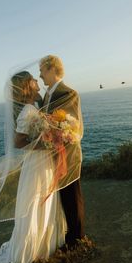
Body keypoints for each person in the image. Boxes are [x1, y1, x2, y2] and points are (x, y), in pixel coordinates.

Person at [0, 71, 67, 263]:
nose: (38, 81)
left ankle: (43, 244)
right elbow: (18, 142)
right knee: (36, 202)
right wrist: (48, 144)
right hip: (37, 164)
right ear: (27, 86)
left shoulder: (32, 107)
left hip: (42, 162)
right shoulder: (27, 111)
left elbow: (35, 134)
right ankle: (31, 249)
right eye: (34, 80)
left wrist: (50, 138)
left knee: (42, 200)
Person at [39, 55, 85, 249]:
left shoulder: (69, 93)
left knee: (72, 196)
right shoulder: (47, 95)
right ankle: (67, 233)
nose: (40, 75)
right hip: (54, 153)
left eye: (42, 70)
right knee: (62, 197)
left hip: (68, 154)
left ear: (51, 69)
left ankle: (78, 239)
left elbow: (70, 125)